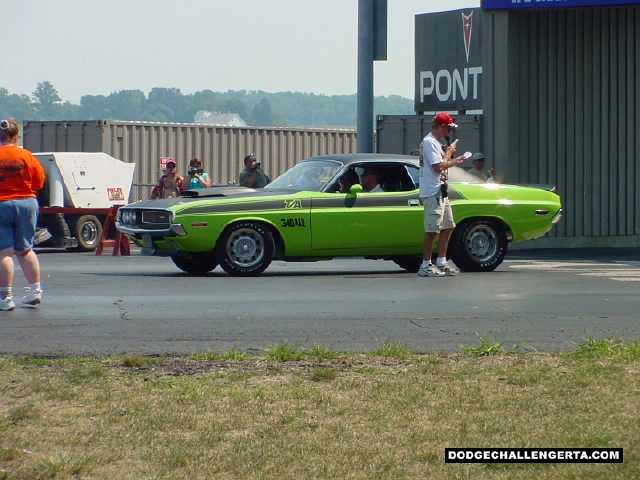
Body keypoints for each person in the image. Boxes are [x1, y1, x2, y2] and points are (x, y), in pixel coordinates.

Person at [0, 118, 47, 310]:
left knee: (4, 252)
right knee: (26, 249)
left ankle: (5, 297)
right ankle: (35, 291)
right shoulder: (27, 156)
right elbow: (39, 181)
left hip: (2, 203)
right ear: (16, 136)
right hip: (27, 203)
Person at [417, 112, 467, 278]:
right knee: (432, 229)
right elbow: (437, 167)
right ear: (442, 127)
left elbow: (441, 167)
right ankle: (425, 265)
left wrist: (453, 159)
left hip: (440, 189)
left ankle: (441, 262)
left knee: (448, 225)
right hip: (433, 191)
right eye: (449, 128)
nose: (449, 132)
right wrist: (450, 154)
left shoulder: (435, 143)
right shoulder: (430, 143)